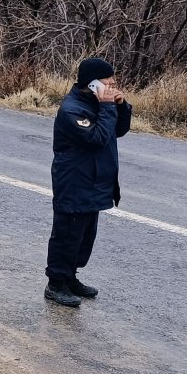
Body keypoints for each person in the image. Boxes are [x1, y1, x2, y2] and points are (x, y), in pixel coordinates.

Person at [44, 58, 132, 308]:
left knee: (84, 236)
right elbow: (98, 137)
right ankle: (55, 284)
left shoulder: (98, 104)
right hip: (74, 182)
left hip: (94, 181)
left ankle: (70, 277)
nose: (113, 83)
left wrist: (121, 105)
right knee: (66, 234)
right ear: (92, 83)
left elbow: (119, 130)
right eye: (108, 80)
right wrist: (106, 108)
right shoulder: (72, 109)